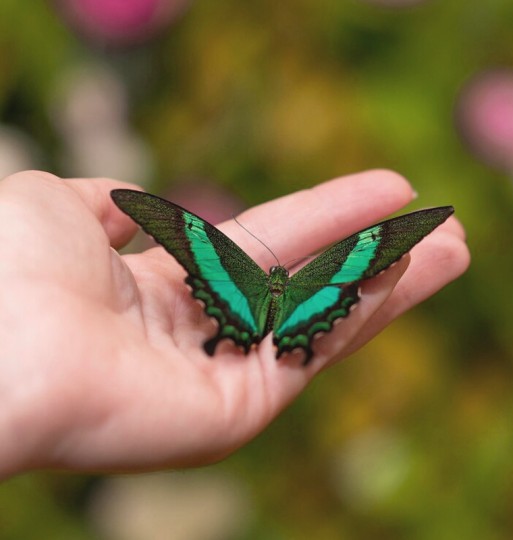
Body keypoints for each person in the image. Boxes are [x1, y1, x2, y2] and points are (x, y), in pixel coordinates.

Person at [0, 169, 469, 479]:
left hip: (236, 301)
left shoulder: (233, 263)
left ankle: (250, 326)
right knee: (334, 293)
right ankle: (292, 332)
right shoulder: (321, 268)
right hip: (312, 305)